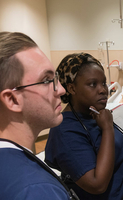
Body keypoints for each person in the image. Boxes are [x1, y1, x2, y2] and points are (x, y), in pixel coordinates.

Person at [44, 53, 123, 199]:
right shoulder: (65, 130)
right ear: (72, 89)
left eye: (103, 83)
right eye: (92, 84)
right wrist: (108, 128)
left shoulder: (96, 116)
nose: (103, 90)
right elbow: (97, 184)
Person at [0, 32, 72, 199]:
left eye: (56, 78)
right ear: (12, 99)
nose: (61, 89)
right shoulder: (37, 190)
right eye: (46, 80)